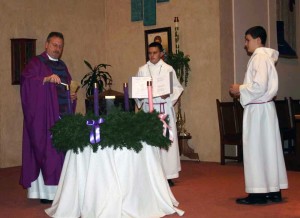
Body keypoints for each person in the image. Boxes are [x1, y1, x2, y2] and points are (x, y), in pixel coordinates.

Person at [229, 26, 288, 205]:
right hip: (265, 109)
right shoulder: (264, 57)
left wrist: (240, 88)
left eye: (247, 40)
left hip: (258, 110)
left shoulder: (260, 58)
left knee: (255, 150)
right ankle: (273, 190)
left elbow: (259, 86)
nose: (245, 44)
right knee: (268, 150)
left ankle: (258, 194)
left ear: (258, 40)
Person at [20, 32, 77, 204]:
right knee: (47, 153)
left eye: (60, 46)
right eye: (54, 45)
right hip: (44, 118)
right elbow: (27, 83)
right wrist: (45, 79)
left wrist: (71, 96)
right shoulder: (36, 63)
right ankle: (46, 193)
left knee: (61, 153)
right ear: (46, 45)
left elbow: (66, 86)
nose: (57, 49)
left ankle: (62, 191)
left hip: (62, 115)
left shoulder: (62, 65)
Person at [136, 42, 183, 186]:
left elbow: (177, 87)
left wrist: (168, 95)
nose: (152, 55)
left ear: (161, 53)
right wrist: (141, 95)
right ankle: (150, 174)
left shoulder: (168, 69)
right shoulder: (142, 70)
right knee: (149, 142)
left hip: (163, 109)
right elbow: (137, 92)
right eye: (150, 53)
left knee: (165, 142)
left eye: (155, 53)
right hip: (148, 110)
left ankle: (168, 175)